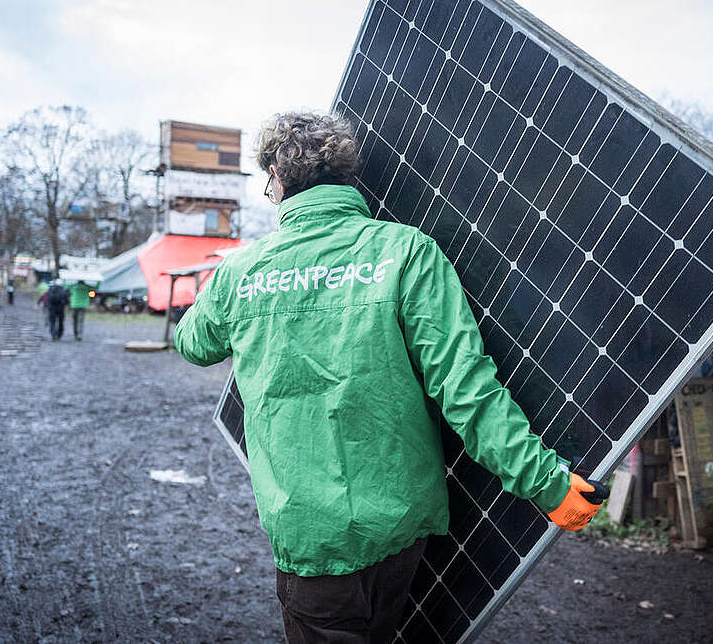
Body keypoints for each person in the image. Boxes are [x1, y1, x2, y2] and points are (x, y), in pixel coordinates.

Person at [174, 112, 604, 643]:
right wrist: (549, 483)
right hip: (401, 527)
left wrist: (239, 286)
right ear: (348, 176)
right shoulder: (407, 251)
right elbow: (467, 389)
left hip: (311, 535)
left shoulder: (242, 272)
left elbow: (192, 344)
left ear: (277, 181)